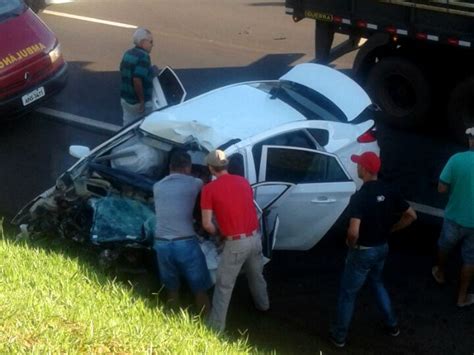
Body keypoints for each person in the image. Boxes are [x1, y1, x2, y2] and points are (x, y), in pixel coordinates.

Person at [330, 151, 417, 348]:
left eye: (359, 164)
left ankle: (339, 336)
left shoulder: (360, 197)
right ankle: (392, 324)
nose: (357, 166)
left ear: (365, 169)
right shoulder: (390, 190)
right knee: (377, 282)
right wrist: (392, 229)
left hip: (362, 252)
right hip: (382, 248)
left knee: (348, 294)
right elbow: (411, 215)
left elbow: (353, 231)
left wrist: (351, 245)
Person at [201, 149, 269, 332]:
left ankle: (215, 328)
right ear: (226, 165)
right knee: (256, 276)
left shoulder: (208, 190)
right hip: (255, 238)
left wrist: (219, 234)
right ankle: (264, 307)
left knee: (224, 285)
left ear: (210, 168)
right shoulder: (244, 182)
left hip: (235, 244)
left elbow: (207, 224)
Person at [153, 150, 212, 313]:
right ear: (188, 168)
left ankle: (172, 315)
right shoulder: (194, 183)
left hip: (161, 242)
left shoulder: (157, 186)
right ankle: (207, 322)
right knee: (199, 287)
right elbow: (207, 183)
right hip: (184, 242)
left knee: (171, 286)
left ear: (170, 166)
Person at [432, 127, 474, 308]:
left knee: (445, 245)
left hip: (453, 218)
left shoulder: (456, 160)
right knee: (470, 259)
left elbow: (441, 188)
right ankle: (462, 297)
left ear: (471, 140)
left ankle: (440, 272)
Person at [119, 27, 154, 126]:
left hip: (126, 99)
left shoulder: (128, 53)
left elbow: (123, 70)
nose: (153, 45)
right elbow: (137, 79)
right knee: (147, 124)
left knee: (127, 127)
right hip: (136, 102)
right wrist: (142, 101)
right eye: (151, 42)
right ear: (143, 42)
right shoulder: (144, 57)